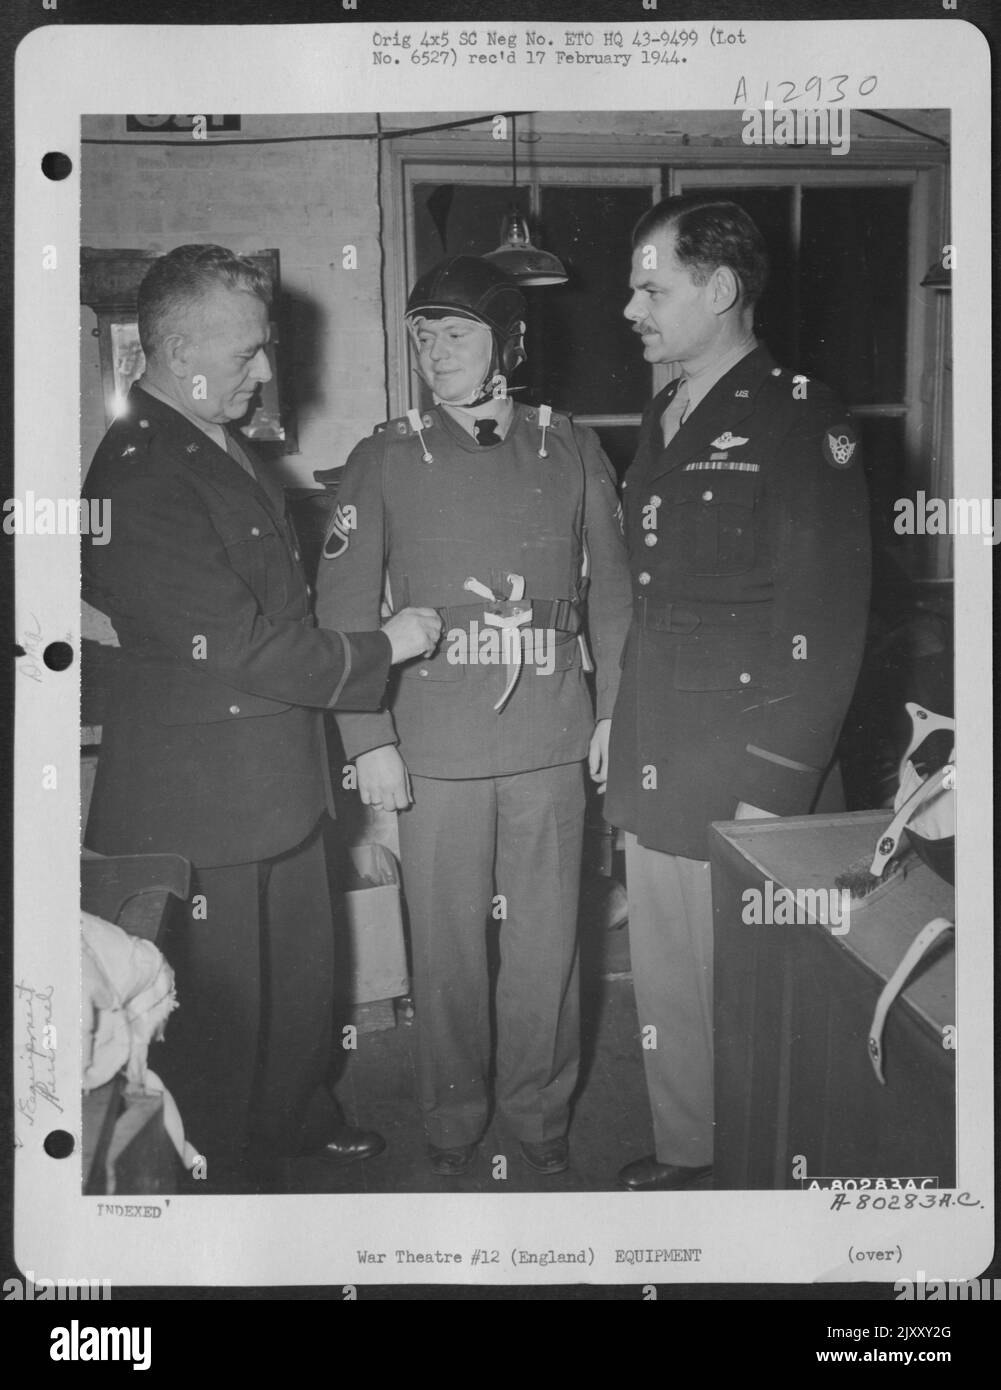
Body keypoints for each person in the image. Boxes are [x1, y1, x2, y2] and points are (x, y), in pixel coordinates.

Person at [82, 244, 441, 1192]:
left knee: (297, 980)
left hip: (270, 780)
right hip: (204, 801)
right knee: (223, 1017)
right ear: (173, 346)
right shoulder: (138, 471)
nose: (267, 372)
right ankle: (227, 1179)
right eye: (246, 353)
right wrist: (387, 646)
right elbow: (243, 645)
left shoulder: (207, 436)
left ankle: (292, 1117)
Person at [316, 256, 632, 1178]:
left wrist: (610, 712)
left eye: (456, 332)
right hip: (435, 740)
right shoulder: (383, 455)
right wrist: (367, 738)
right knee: (446, 948)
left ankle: (540, 1116)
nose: (434, 351)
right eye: (422, 333)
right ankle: (452, 1122)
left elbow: (611, 596)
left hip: (549, 735)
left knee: (548, 946)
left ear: (509, 343)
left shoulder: (569, 445)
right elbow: (340, 610)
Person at [604, 196, 871, 1191]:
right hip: (658, 751)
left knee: (756, 996)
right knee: (670, 972)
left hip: (747, 769)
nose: (629, 307)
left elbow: (827, 615)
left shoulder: (801, 416)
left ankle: (766, 1173)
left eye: (650, 287)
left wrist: (776, 785)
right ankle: (691, 1150)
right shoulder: (667, 409)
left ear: (717, 291)